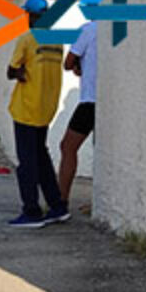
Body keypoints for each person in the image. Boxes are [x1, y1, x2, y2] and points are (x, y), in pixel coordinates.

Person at [6, 0, 68, 229]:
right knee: (41, 158)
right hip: (46, 108)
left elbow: (11, 71)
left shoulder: (27, 39)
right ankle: (57, 206)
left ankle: (31, 211)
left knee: (27, 162)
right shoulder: (57, 42)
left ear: (31, 16)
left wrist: (19, 73)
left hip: (26, 108)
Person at [58, 20, 97, 202]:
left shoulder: (88, 29)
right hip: (111, 101)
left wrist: (77, 65)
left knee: (67, 147)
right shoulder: (116, 27)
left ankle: (61, 200)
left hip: (90, 101)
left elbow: (68, 63)